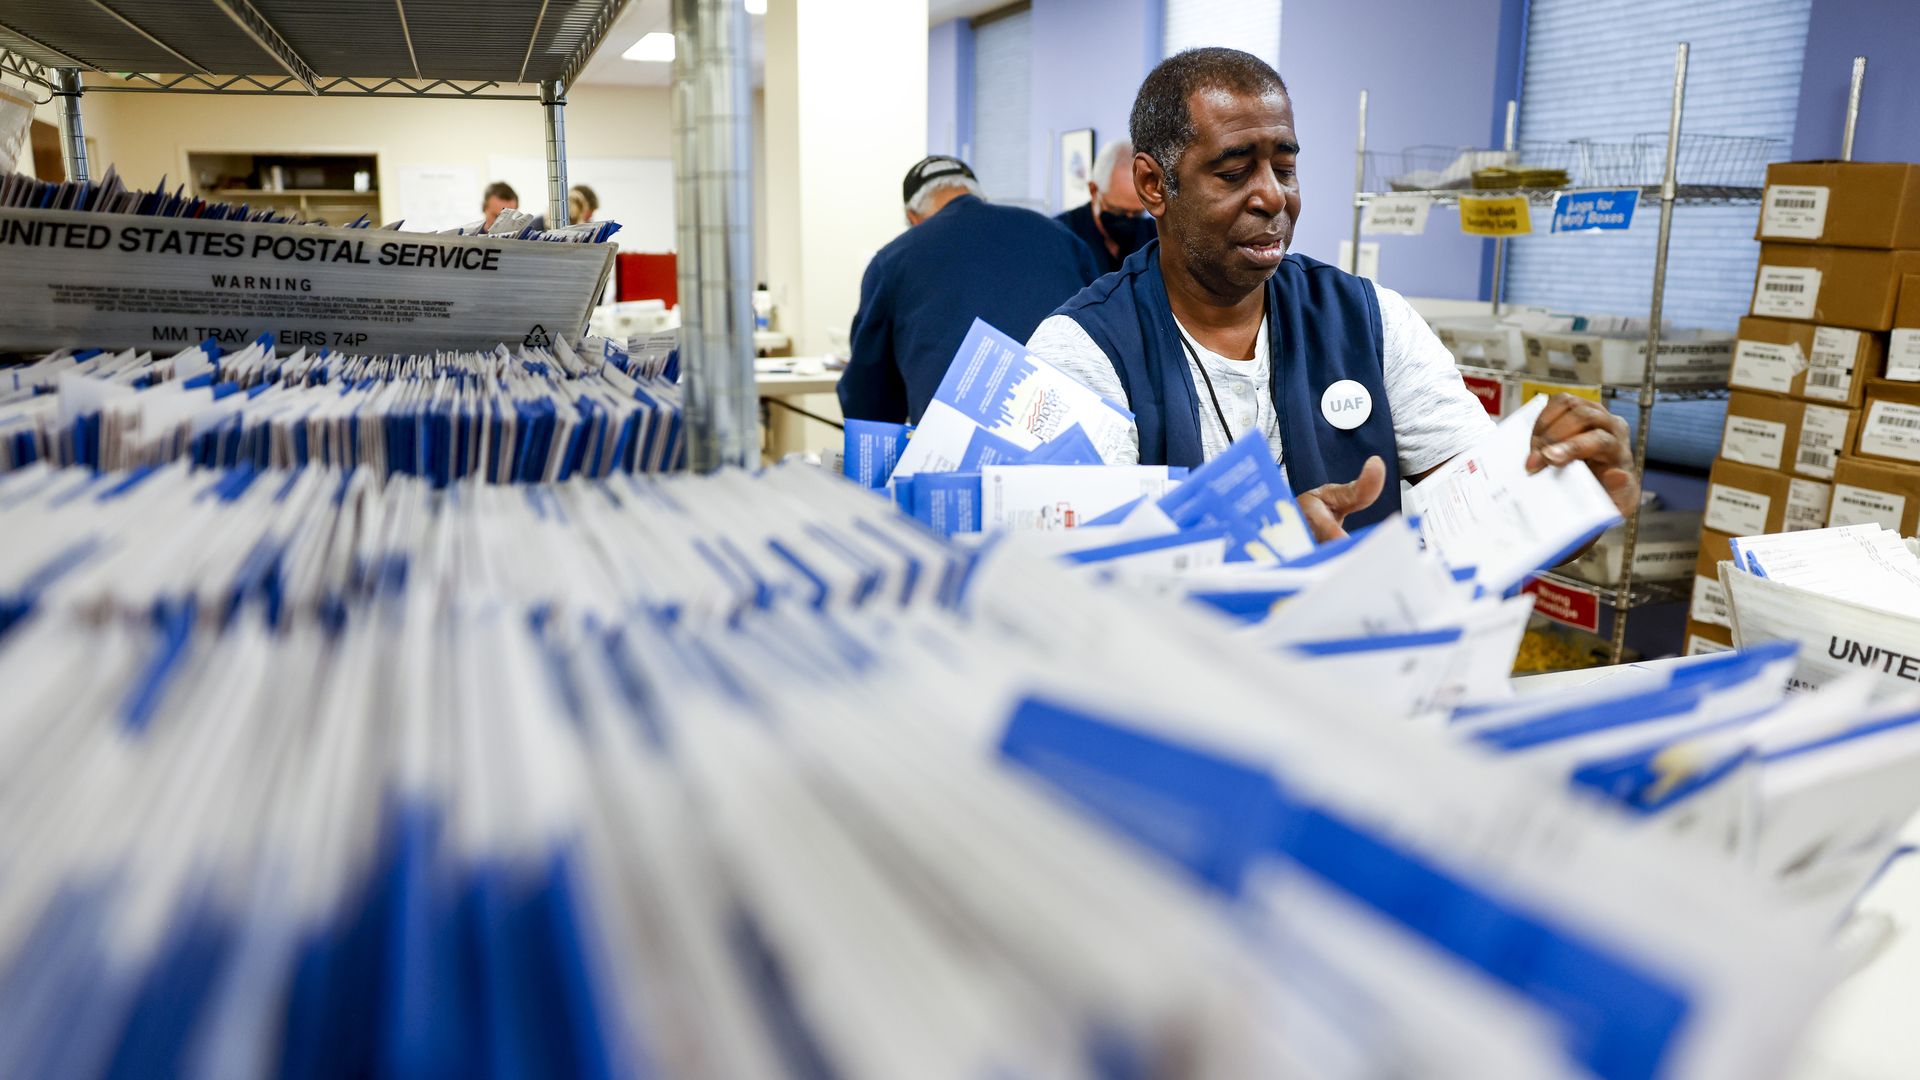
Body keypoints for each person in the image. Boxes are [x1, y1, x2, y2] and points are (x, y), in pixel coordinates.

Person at [1026, 48, 1636, 540]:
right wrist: (1261, 553)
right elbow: (1070, 581)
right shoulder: (1082, 351)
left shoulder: (1371, 320)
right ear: (1154, 185)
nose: (1274, 198)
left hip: (1365, 675)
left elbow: (1485, 508)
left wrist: (1566, 490)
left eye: (1285, 169)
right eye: (1234, 173)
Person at [839, 155, 1102, 424]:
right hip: (1065, 430)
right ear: (981, 197)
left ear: (912, 217)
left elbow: (869, 393)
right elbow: (1099, 332)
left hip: (951, 446)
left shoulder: (893, 260)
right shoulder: (1061, 237)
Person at [1055, 138, 1153, 274]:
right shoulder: (1062, 236)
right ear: (1093, 191)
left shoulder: (1155, 236)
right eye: (1119, 211)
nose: (1128, 218)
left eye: (1137, 213)